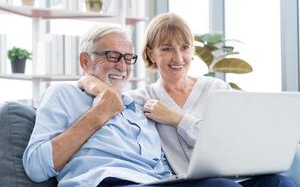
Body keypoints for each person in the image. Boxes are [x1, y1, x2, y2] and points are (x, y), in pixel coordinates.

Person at [77, 13, 296, 187]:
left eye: (184, 48)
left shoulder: (217, 89)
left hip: (238, 177)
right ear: (151, 54)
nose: (178, 58)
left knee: (279, 182)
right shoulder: (141, 99)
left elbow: (230, 141)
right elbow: (100, 87)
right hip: (193, 183)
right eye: (167, 49)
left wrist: (177, 119)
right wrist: (89, 80)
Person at [22, 25, 247, 187]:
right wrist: (99, 113)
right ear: (85, 61)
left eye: (128, 58)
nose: (122, 66)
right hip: (108, 181)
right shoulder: (63, 95)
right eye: (112, 56)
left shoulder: (137, 104)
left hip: (157, 182)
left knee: (273, 182)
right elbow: (35, 167)